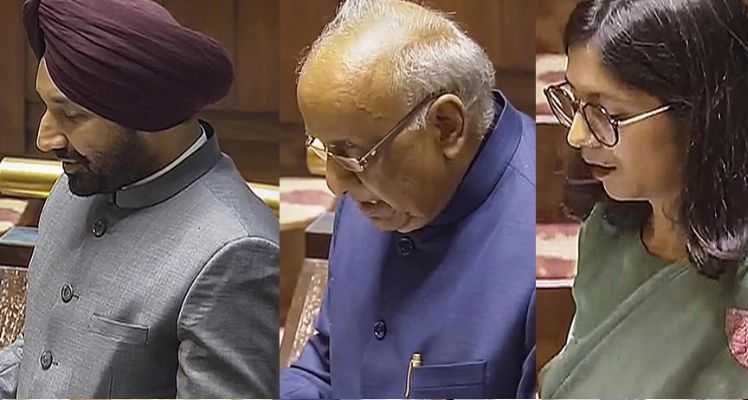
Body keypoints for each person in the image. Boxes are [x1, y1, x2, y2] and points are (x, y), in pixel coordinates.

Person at [0, 0, 279, 397]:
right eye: (45, 106)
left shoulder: (236, 254)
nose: (45, 139)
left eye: (71, 115)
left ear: (147, 116)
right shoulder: (78, 184)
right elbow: (42, 355)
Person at [280, 0, 536, 398]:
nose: (335, 184)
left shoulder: (550, 251)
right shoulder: (377, 185)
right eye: (325, 150)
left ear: (446, 127)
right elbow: (327, 361)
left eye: (350, 153)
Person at [540, 0, 748, 397]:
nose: (577, 135)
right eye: (576, 104)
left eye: (606, 112)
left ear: (700, 112)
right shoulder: (604, 233)